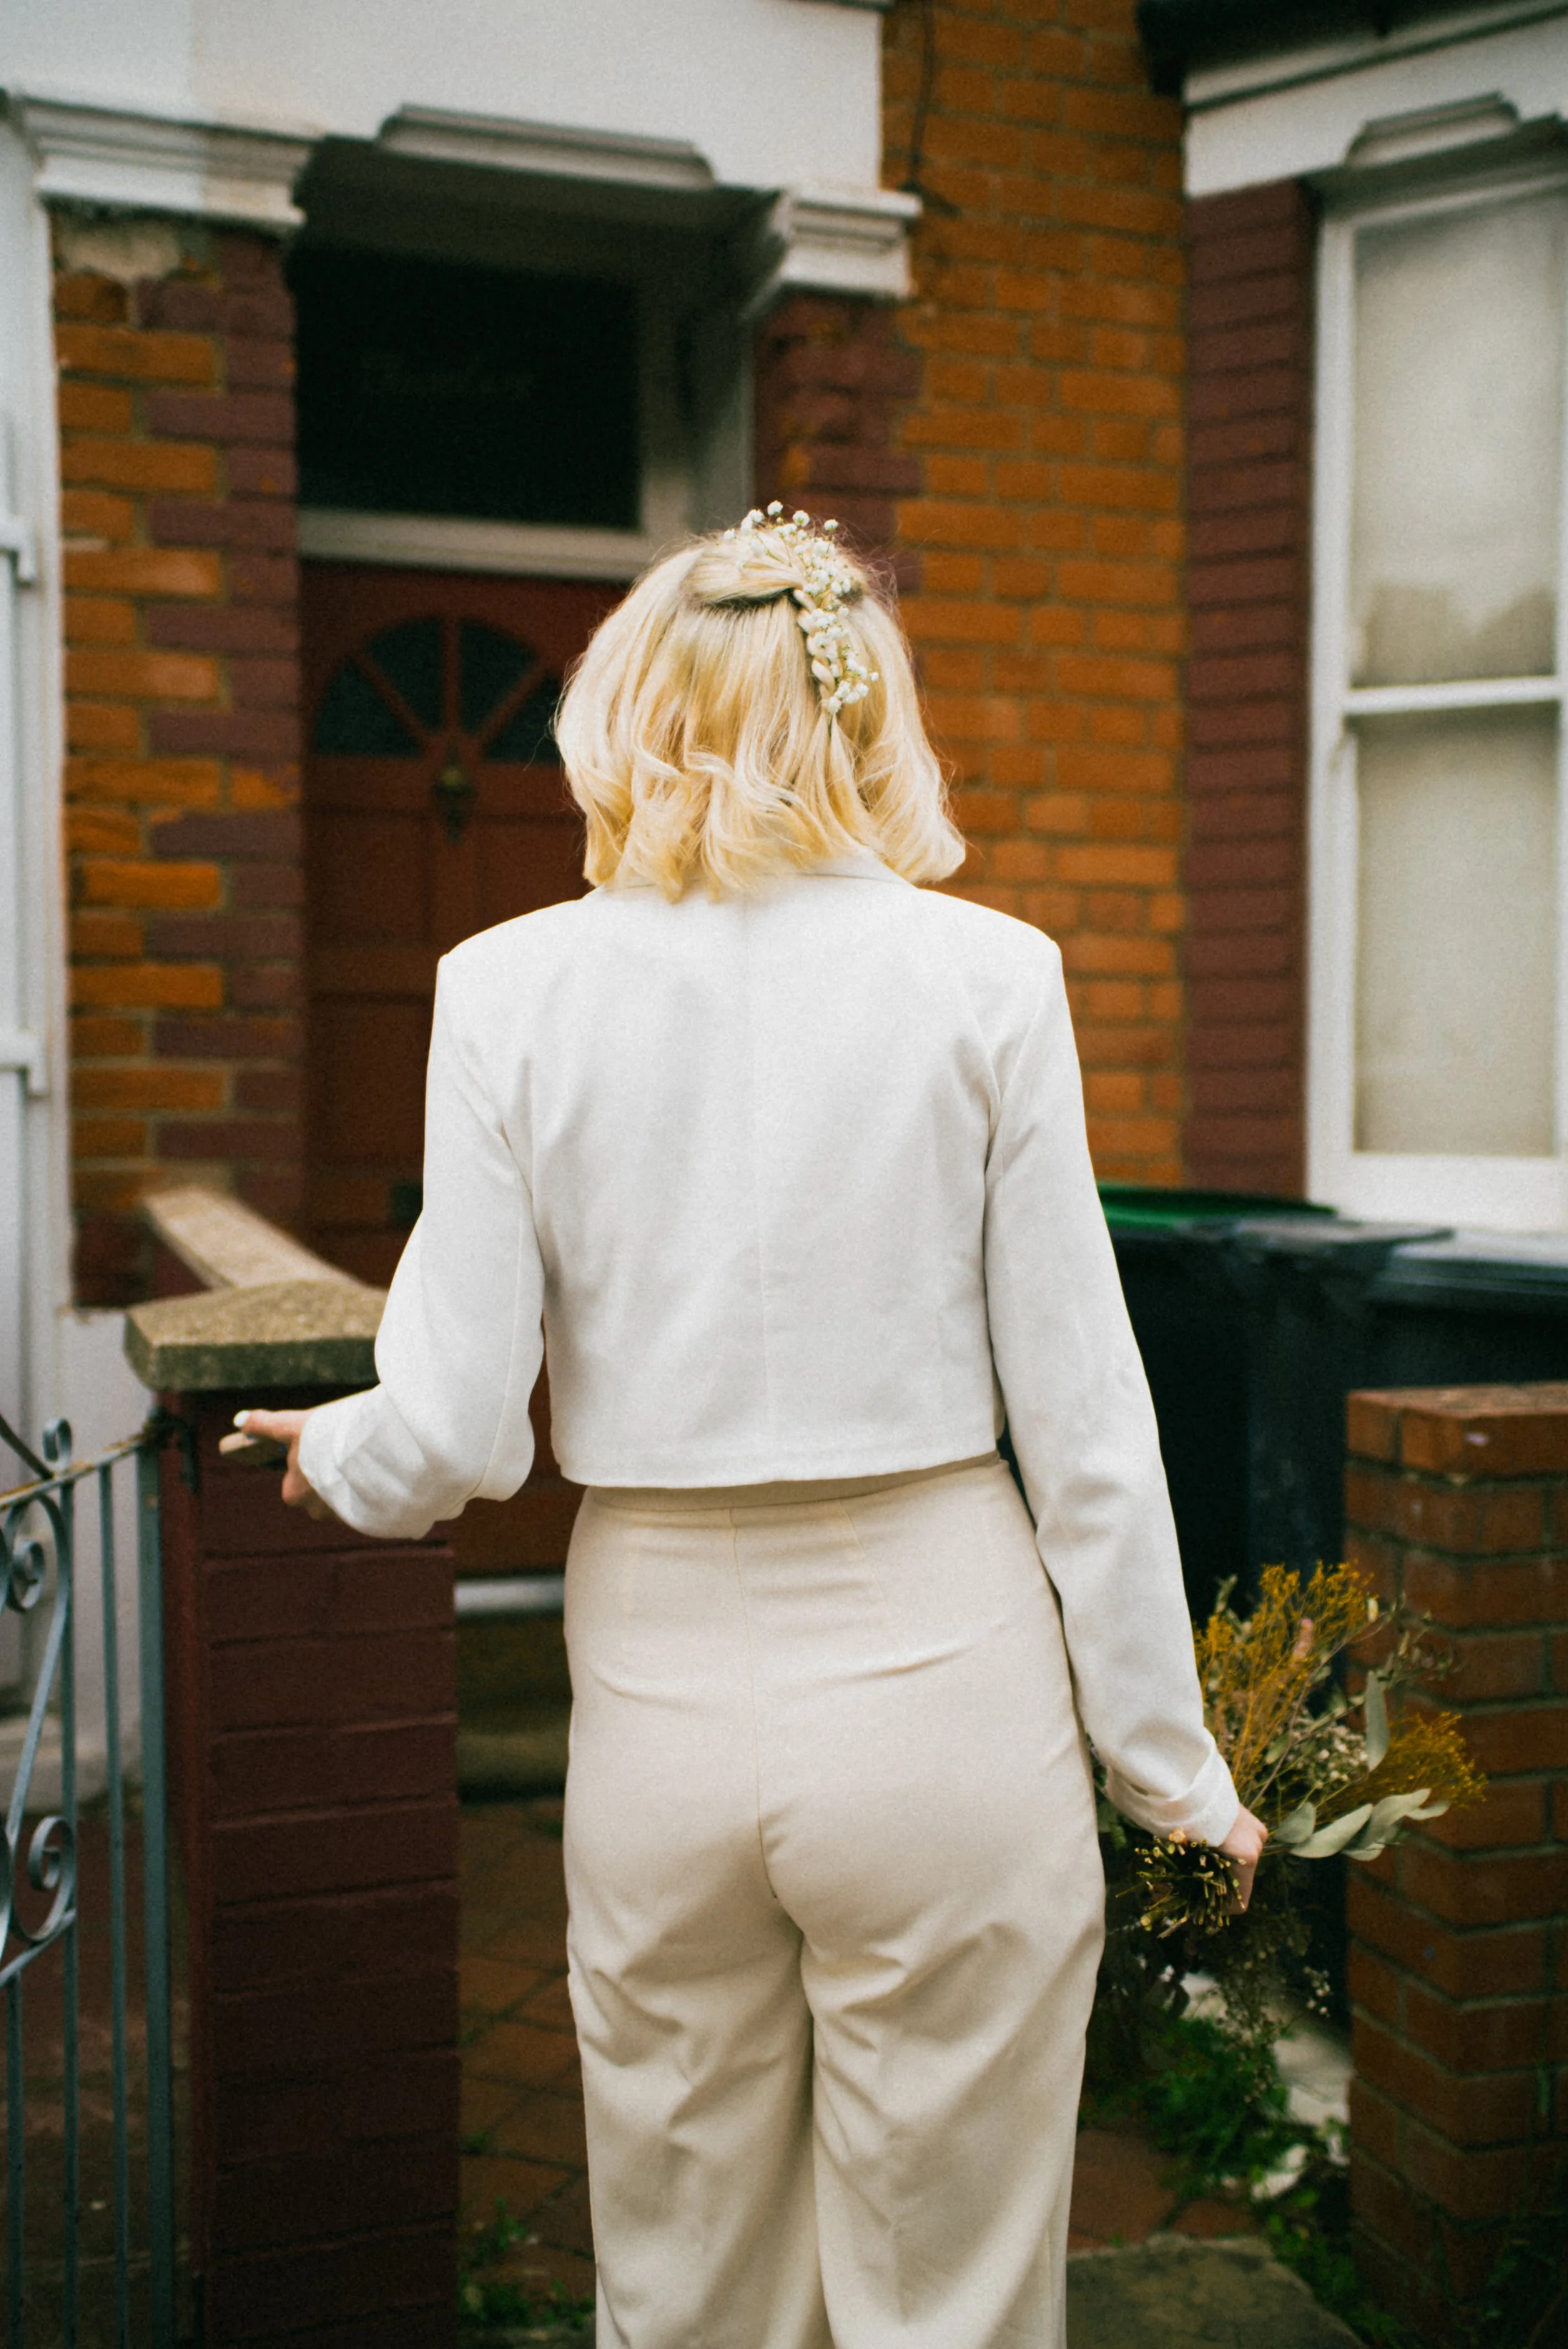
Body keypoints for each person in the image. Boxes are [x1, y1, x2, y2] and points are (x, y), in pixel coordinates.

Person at [236, 507, 1267, 2349]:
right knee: (944, 2296)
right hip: (942, 1672)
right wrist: (1167, 1768)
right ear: (864, 715)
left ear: (622, 711)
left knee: (682, 2275)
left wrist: (341, 1457)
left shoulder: (504, 988)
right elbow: (1085, 1421)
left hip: (655, 1700)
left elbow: (457, 1419)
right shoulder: (988, 974)